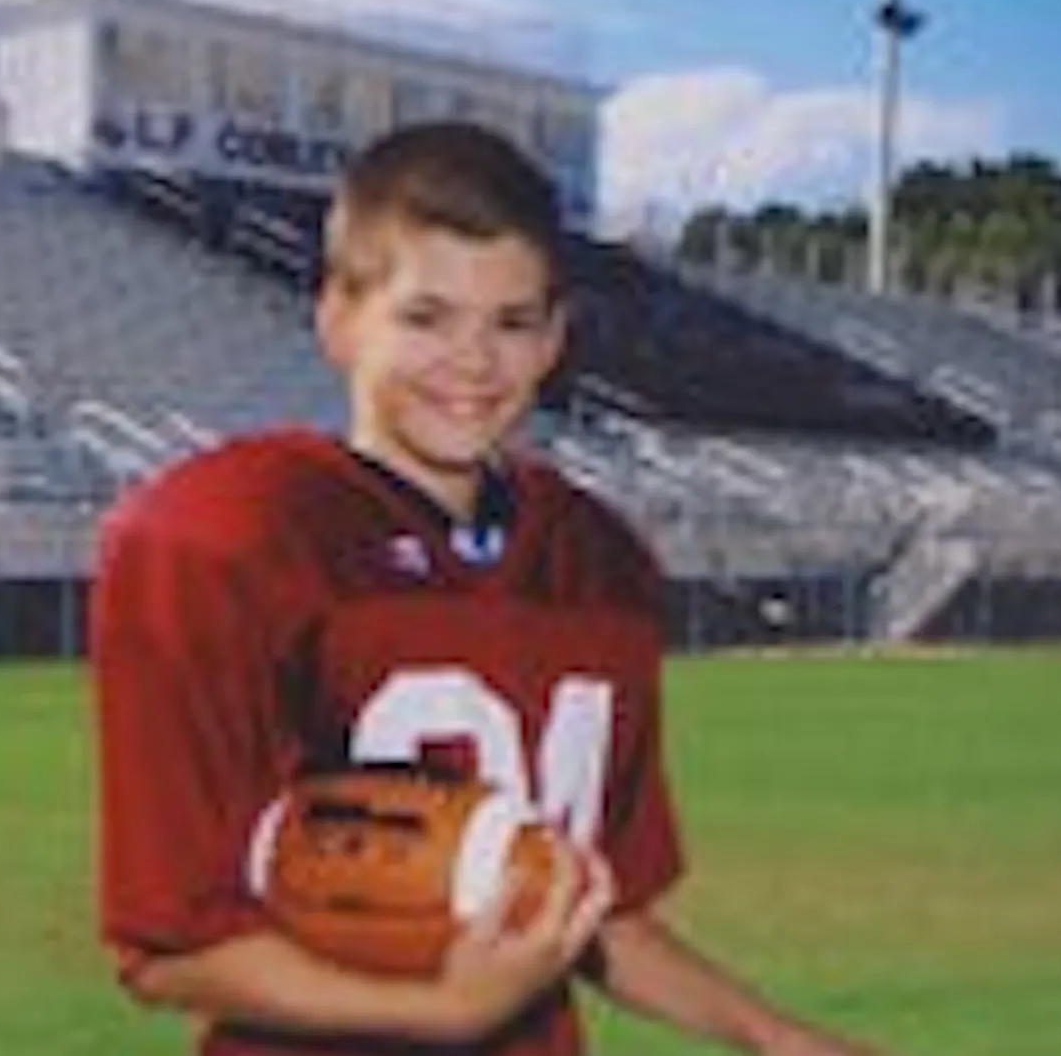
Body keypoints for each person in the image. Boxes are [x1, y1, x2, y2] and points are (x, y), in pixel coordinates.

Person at [90, 120, 889, 1056]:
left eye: (511, 322)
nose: (473, 362)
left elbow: (595, 912)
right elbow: (171, 949)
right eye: (426, 317)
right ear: (340, 315)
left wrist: (774, 1036)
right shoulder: (232, 535)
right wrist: (438, 1012)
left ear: (554, 337)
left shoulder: (598, 560)